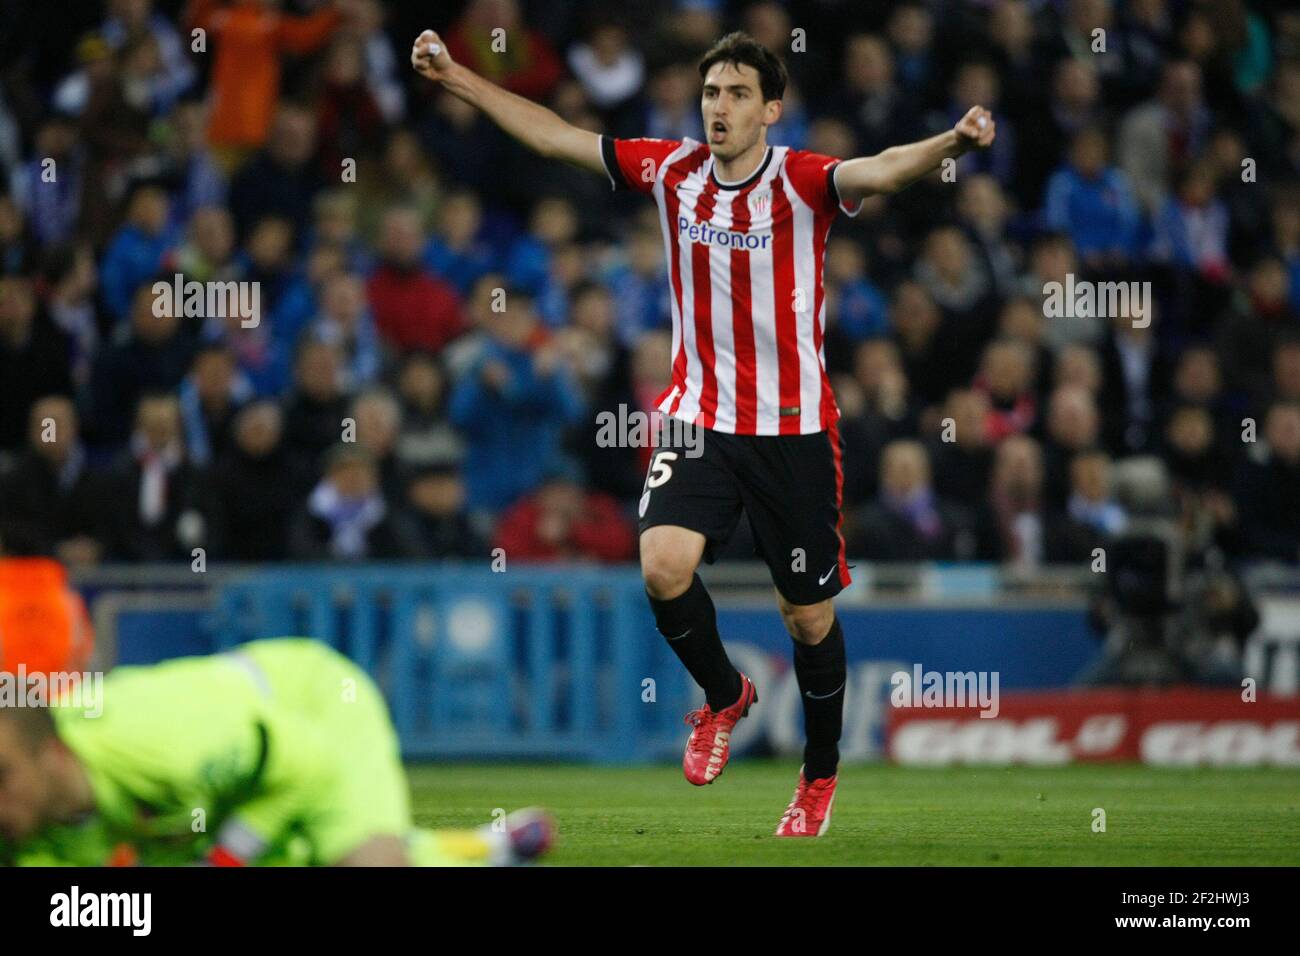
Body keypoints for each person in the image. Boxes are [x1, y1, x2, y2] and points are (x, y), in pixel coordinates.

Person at [412, 27, 995, 836]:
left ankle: (818, 777)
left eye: (737, 94)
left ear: (771, 111)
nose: (719, 107)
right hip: (700, 417)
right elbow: (555, 136)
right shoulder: (671, 168)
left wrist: (952, 142)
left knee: (809, 620)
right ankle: (726, 697)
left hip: (793, 429)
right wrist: (458, 79)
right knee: (661, 564)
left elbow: (883, 167)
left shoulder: (803, 180)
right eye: (712, 92)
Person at [0, 638, 553, 866]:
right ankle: (492, 848)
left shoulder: (158, 744)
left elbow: (305, 764)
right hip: (243, 761)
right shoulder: (28, 823)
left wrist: (228, 856)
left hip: (310, 708)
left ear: (54, 755)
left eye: (4, 777)